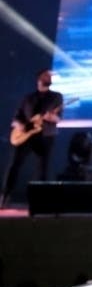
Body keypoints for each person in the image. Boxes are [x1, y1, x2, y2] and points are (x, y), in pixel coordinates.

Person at [1, 69, 65, 208]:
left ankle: (40, 202)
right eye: (46, 75)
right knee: (14, 165)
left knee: (43, 168)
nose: (49, 77)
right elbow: (16, 118)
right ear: (39, 78)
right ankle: (4, 196)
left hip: (46, 135)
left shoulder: (56, 97)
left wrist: (51, 117)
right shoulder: (28, 98)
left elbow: (59, 117)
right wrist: (20, 125)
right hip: (26, 136)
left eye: (50, 75)